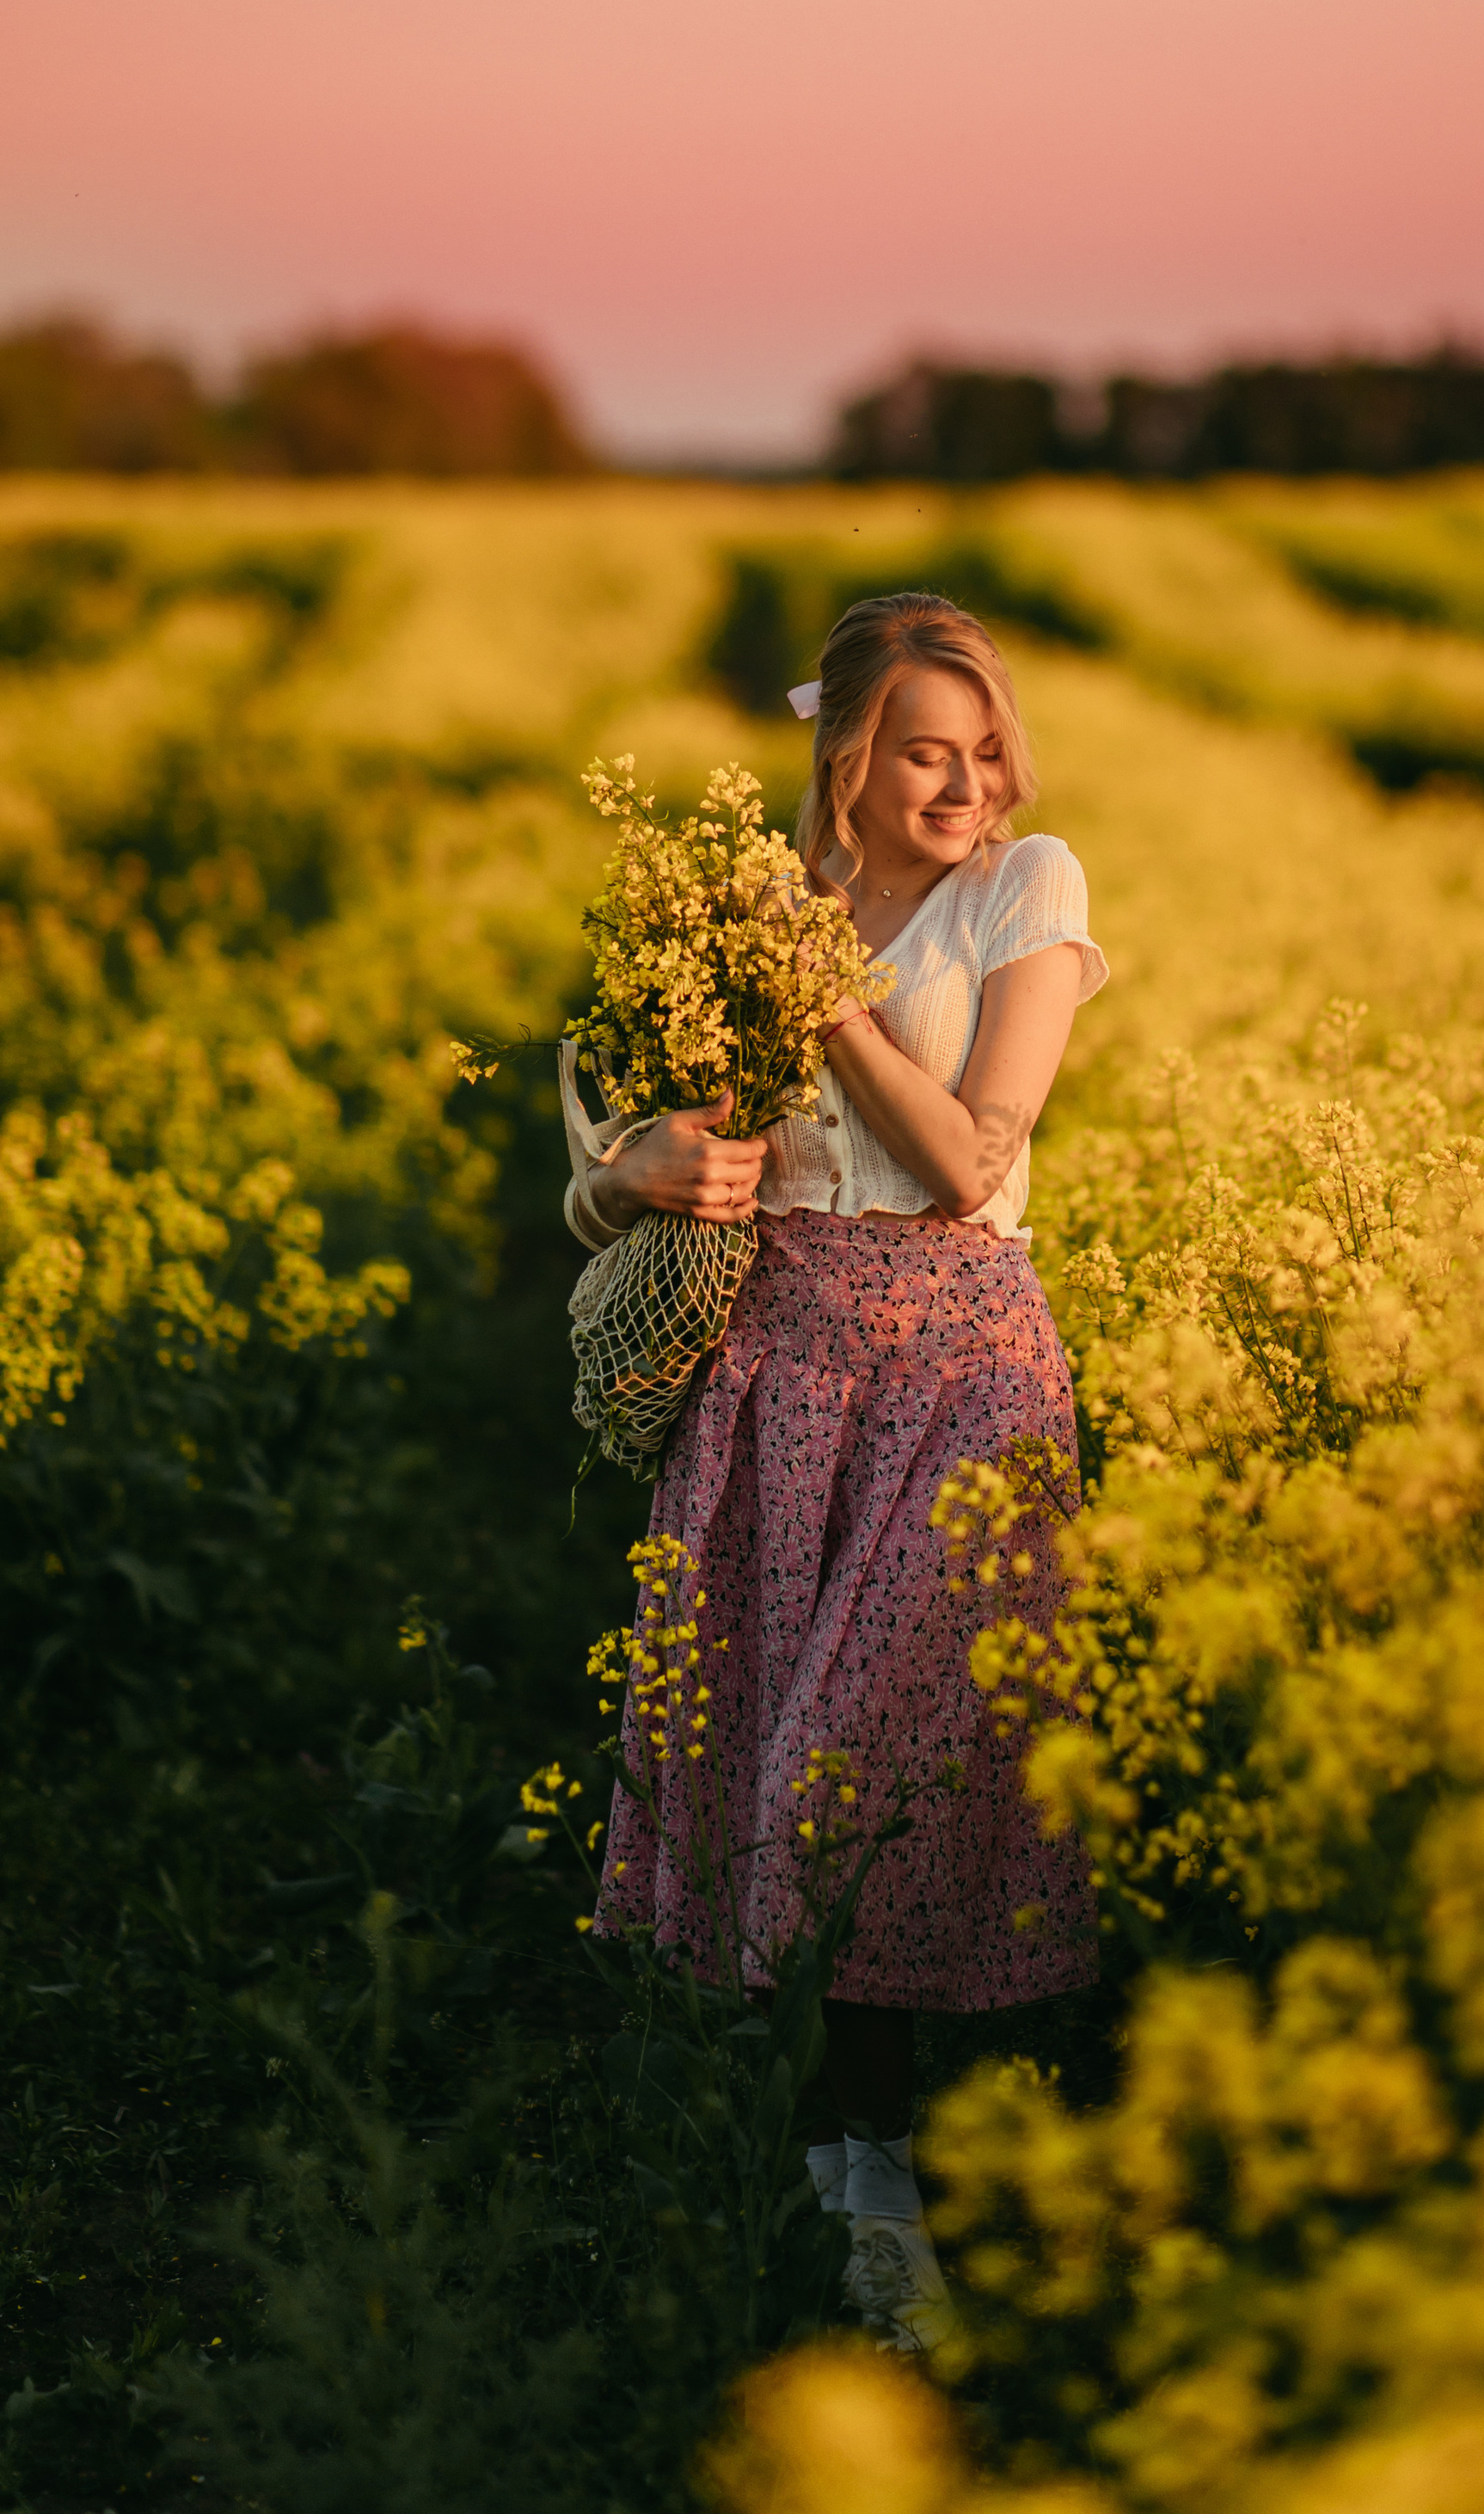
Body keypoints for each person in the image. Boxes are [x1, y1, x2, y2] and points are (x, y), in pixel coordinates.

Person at [563, 590, 1106, 2352]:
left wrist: (827, 999)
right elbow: (617, 1164)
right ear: (849, 766)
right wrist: (637, 1162)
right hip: (782, 1365)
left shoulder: (1026, 890)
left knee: (866, 1779)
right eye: (923, 753)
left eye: (983, 748)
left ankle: (882, 2193)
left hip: (957, 1369)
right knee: (766, 1774)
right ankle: (825, 2181)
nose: (965, 783)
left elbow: (967, 1159)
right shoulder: (749, 920)